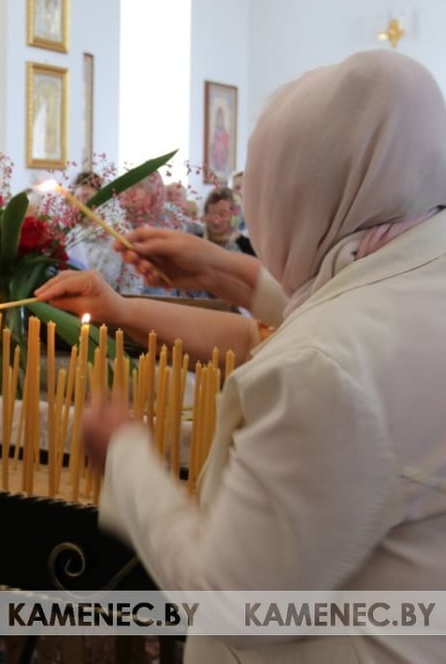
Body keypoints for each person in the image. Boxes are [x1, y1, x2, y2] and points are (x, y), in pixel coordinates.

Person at [35, 49, 446, 662]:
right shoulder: (415, 263)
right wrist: (203, 278)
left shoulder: (326, 365)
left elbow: (231, 601)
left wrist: (122, 455)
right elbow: (296, 323)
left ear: (299, 195)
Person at [202, 186, 255, 256]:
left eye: (222, 214)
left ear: (234, 218)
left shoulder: (248, 247)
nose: (215, 221)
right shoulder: (196, 241)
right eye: (211, 213)